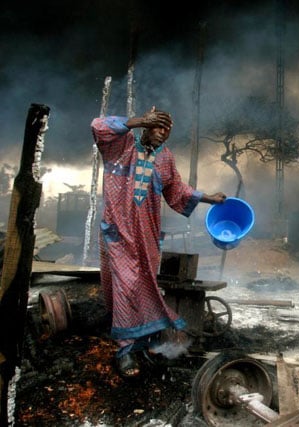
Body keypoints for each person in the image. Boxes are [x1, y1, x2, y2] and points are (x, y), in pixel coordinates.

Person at [91, 106, 226, 378]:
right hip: (118, 233)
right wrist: (139, 120)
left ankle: (147, 342)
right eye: (158, 126)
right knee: (126, 286)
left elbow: (177, 190)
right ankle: (125, 351)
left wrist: (209, 198)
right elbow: (98, 126)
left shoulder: (165, 158)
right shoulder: (121, 145)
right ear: (147, 126)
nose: (163, 134)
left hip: (147, 236)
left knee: (145, 285)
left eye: (167, 130)